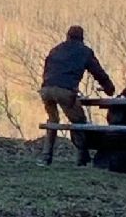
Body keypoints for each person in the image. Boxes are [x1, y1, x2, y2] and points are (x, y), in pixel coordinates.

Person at [41, 25, 117, 166]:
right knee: (79, 122)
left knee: (52, 121)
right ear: (82, 38)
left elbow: (47, 68)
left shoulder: (56, 49)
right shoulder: (84, 52)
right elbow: (97, 72)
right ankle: (82, 157)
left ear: (67, 36)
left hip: (46, 89)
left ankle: (46, 157)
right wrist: (109, 89)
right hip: (65, 90)